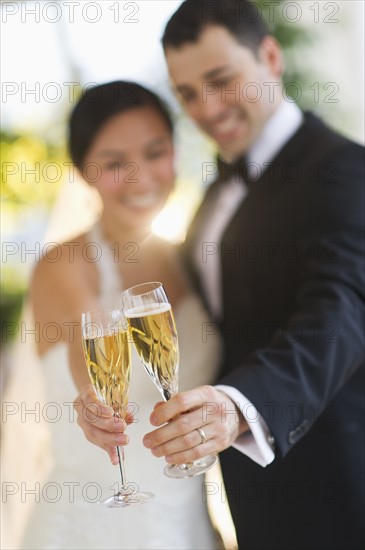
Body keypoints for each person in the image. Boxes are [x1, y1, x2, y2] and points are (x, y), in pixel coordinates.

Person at [139, 2, 364, 549]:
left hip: (335, 492)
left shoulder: (346, 170)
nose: (207, 109)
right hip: (248, 498)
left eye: (221, 81)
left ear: (269, 56)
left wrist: (241, 405)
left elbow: (337, 313)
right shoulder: (215, 194)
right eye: (188, 94)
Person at [4, 81, 221, 549]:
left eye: (155, 152)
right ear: (83, 172)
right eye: (115, 163)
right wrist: (95, 404)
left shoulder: (191, 260)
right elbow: (95, 348)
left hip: (187, 521)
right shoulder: (64, 265)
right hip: (91, 525)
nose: (141, 177)